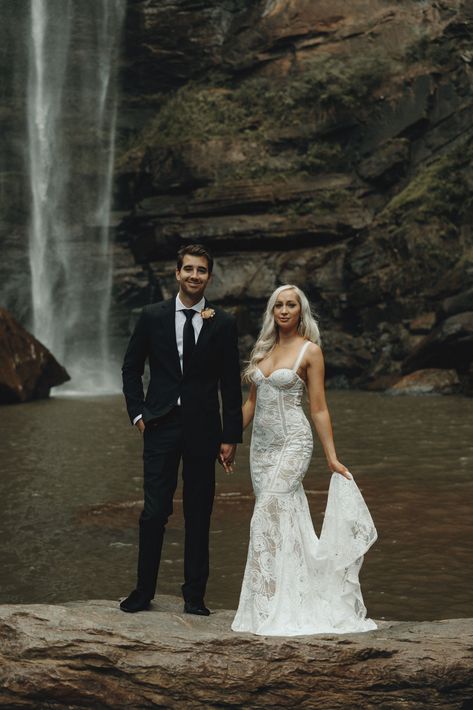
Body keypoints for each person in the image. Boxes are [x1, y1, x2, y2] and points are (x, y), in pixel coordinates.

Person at [232, 285, 377, 636]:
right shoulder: (262, 351)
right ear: (272, 311)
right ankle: (276, 599)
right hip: (261, 450)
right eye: (278, 305)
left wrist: (331, 457)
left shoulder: (310, 352)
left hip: (294, 443)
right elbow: (251, 403)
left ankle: (273, 606)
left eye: (291, 305)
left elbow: (319, 408)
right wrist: (227, 438)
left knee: (266, 512)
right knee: (284, 520)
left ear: (301, 311)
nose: (284, 310)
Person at [120, 244, 243, 615]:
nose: (194, 275)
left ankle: (194, 597)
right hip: (159, 425)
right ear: (176, 273)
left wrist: (230, 436)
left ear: (209, 276)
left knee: (199, 512)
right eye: (188, 269)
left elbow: (230, 384)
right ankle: (143, 593)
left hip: (204, 429)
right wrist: (138, 415)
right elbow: (130, 368)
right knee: (154, 512)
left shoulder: (222, 321)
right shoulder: (152, 316)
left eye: (201, 270)